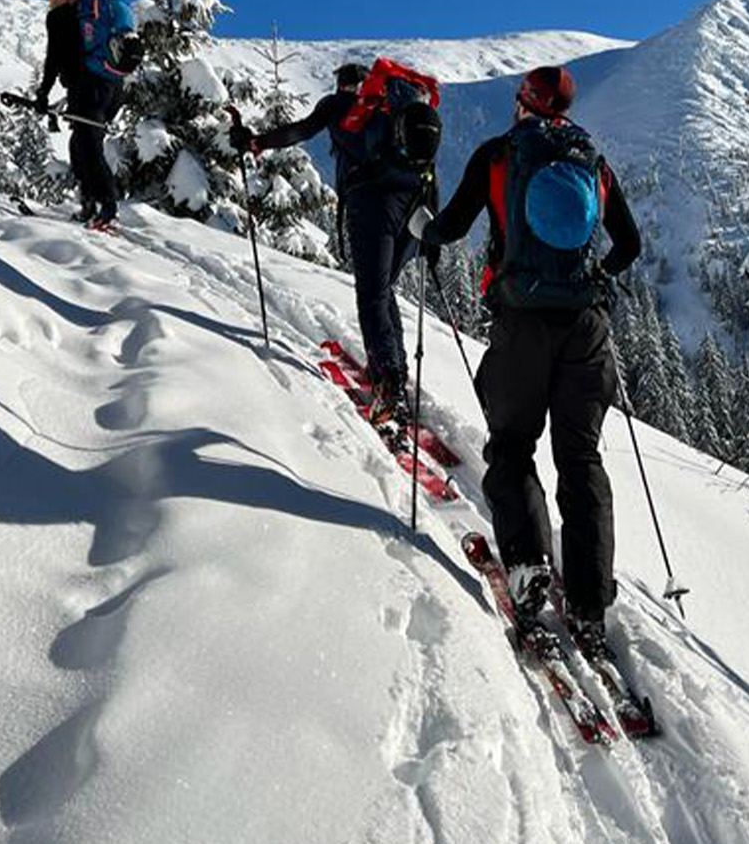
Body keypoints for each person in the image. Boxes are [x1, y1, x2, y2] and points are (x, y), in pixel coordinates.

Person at [417, 65, 641, 645]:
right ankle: (591, 601)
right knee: (582, 459)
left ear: (523, 103)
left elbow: (450, 227)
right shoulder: (593, 162)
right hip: (586, 329)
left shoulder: (499, 154)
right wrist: (595, 278)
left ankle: (528, 566)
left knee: (512, 448)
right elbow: (630, 245)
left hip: (523, 325)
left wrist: (422, 228)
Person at [231, 61, 432, 405]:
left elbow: (300, 131)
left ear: (342, 83)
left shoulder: (340, 105)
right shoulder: (395, 112)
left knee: (371, 294)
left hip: (370, 206)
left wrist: (256, 142)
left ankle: (388, 383)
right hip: (411, 206)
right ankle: (394, 367)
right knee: (384, 288)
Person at [35, 0, 124, 231]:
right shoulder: (95, 15)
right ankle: (89, 204)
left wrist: (43, 93)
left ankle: (108, 210)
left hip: (88, 88)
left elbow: (54, 58)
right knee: (79, 146)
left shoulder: (60, 15)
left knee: (89, 147)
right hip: (113, 89)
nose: (50, 0)